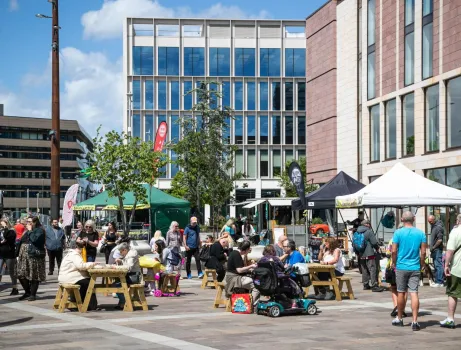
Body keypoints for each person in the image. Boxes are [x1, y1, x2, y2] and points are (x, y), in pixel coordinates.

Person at [391, 211, 427, 331]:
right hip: (415, 266)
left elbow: (394, 250)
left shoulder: (398, 233)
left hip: (401, 266)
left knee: (401, 292)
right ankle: (415, 321)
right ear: (414, 219)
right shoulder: (421, 233)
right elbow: (423, 252)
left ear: (402, 219)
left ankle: (399, 318)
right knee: (414, 293)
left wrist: (394, 262)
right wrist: (421, 264)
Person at [58, 240, 99, 310]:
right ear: (76, 247)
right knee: (89, 283)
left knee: (86, 281)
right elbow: (81, 266)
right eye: (80, 247)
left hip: (65, 277)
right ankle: (89, 305)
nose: (82, 249)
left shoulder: (70, 254)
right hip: (68, 277)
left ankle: (81, 302)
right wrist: (92, 263)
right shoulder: (74, 254)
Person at [16, 216, 46, 301]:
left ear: (35, 222)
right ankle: (27, 292)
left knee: (34, 275)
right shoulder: (26, 231)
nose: (28, 223)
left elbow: (34, 239)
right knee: (21, 275)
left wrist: (29, 231)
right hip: (24, 256)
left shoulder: (39, 230)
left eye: (30, 222)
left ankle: (33, 294)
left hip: (34, 256)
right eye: (27, 221)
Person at [440, 214, 461, 329]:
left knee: (453, 293)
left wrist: (446, 264)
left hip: (457, 268)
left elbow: (450, 251)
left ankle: (450, 319)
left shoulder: (455, 232)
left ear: (458, 221)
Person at [355, 220, 384, 292]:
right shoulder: (369, 231)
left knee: (364, 269)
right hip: (369, 253)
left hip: (361, 254)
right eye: (369, 224)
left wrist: (357, 253)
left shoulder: (356, 232)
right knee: (372, 269)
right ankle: (374, 285)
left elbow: (354, 244)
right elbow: (374, 242)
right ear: (367, 224)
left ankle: (365, 284)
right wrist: (377, 249)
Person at [113, 242, 142, 310]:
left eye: (121, 252)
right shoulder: (129, 254)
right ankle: (123, 302)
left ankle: (125, 302)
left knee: (117, 284)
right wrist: (121, 261)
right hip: (131, 275)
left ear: (125, 250)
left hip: (135, 276)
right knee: (117, 282)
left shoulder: (131, 255)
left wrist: (116, 267)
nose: (120, 253)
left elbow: (128, 267)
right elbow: (127, 263)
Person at [0, 219, 19, 295]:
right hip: (1, 253)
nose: (1, 225)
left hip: (9, 254)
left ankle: (15, 288)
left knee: (12, 272)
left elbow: (9, 239)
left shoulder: (11, 231)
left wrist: (5, 228)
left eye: (3, 224)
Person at [428, 215, 445, 287]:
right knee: (436, 265)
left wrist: (433, 247)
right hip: (434, 249)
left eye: (430, 221)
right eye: (428, 221)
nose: (429, 223)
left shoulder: (438, 227)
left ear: (434, 219)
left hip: (437, 249)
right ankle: (438, 280)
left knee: (438, 264)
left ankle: (440, 282)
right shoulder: (433, 226)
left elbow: (440, 240)